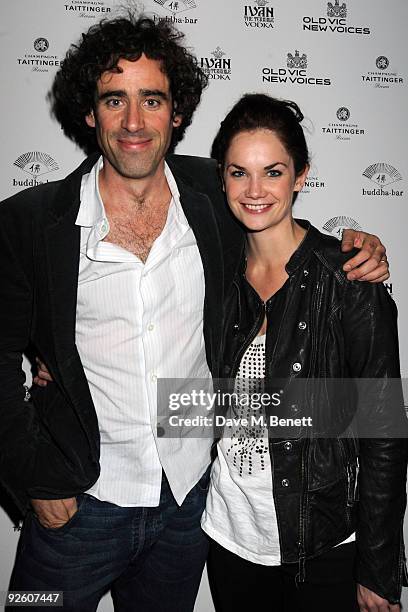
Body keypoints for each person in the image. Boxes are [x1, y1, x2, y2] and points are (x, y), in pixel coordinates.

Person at [0, 11, 389, 612]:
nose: (134, 122)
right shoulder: (29, 222)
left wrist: (352, 252)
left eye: (152, 99)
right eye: (114, 100)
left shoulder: (213, 197)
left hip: (188, 510)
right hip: (77, 510)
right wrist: (31, 474)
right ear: (88, 111)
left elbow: (271, 213)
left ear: (176, 112)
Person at [200, 94, 408, 612]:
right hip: (228, 537)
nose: (254, 191)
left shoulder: (351, 281)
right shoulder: (213, 275)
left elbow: (383, 433)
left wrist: (378, 569)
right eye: (237, 172)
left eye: (272, 171)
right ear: (220, 178)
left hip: (324, 548)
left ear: (300, 176)